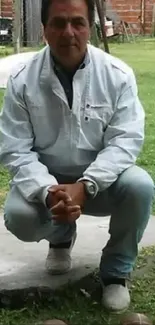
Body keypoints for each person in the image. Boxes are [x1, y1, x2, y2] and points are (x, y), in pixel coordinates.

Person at [0, 0, 154, 313]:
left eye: (77, 22)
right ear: (44, 30)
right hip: (49, 187)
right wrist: (47, 192)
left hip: (100, 185)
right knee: (20, 218)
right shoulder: (21, 80)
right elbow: (14, 147)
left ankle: (115, 274)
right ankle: (60, 238)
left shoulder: (117, 75)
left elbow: (126, 139)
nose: (68, 32)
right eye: (57, 23)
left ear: (90, 28)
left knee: (140, 186)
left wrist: (87, 184)